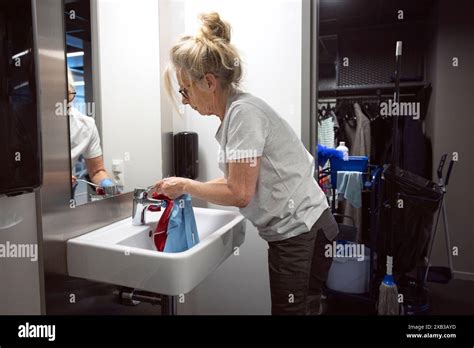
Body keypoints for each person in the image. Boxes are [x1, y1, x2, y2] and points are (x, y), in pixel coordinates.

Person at [155, 12, 339, 315]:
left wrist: (187, 185)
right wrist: (181, 188)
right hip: (303, 231)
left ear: (209, 83)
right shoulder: (237, 113)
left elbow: (240, 193)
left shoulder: (243, 114)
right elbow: (235, 183)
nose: (185, 100)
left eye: (185, 90)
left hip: (301, 233)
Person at [67, 69, 114, 190]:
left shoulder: (86, 125)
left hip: (65, 195)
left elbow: (97, 171)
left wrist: (107, 186)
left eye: (69, 95)